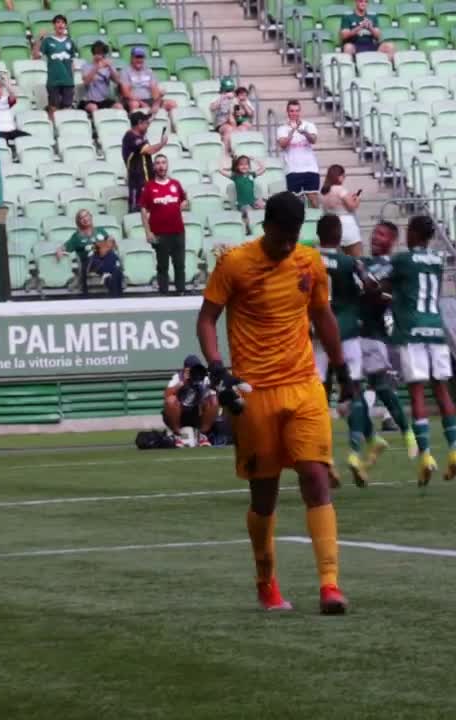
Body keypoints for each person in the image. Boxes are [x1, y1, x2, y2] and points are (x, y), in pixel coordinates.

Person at [196, 191, 355, 614]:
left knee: (316, 478)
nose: (287, 245)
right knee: (264, 496)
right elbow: (207, 319)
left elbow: (322, 315)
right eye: (281, 236)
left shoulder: (309, 262)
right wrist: (217, 368)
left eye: (293, 237)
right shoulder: (234, 263)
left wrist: (341, 368)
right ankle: (266, 583)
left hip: (304, 385)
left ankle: (329, 585)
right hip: (255, 393)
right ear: (265, 226)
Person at [375, 215, 456, 486]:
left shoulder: (402, 259)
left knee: (417, 393)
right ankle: (455, 450)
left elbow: (380, 282)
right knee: (442, 391)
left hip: (412, 330)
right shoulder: (437, 260)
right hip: (435, 329)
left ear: (414, 233)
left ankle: (426, 455)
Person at [315, 214, 379, 487]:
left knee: (318, 394)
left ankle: (324, 458)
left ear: (318, 235)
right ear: (340, 236)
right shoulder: (350, 262)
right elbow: (370, 285)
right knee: (352, 389)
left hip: (317, 332)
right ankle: (354, 452)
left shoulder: (307, 259)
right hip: (347, 332)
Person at [360, 221, 417, 459]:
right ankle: (377, 438)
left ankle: (405, 433)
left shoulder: (394, 267)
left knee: (381, 386)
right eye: (374, 233)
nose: (375, 238)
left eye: (381, 235)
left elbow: (387, 295)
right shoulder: (362, 263)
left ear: (392, 241)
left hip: (376, 334)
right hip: (355, 333)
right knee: (356, 393)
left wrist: (376, 291)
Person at [140, 154, 191, 295]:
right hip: (159, 232)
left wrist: (184, 203)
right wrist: (148, 232)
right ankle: (164, 293)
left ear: (167, 165)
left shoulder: (175, 184)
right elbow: (143, 210)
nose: (161, 165)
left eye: (163, 162)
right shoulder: (149, 187)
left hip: (178, 231)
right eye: (158, 163)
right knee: (162, 266)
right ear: (154, 167)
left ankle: (181, 291)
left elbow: (185, 200)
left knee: (180, 264)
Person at [56, 209, 122, 296]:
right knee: (113, 269)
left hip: (106, 258)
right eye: (81, 218)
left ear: (90, 217)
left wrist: (112, 240)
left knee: (114, 266)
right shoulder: (77, 236)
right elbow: (65, 246)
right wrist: (59, 250)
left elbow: (113, 246)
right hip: (90, 261)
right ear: (78, 222)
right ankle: (110, 280)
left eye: (86, 216)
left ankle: (114, 293)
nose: (85, 219)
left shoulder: (100, 231)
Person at [163, 355, 220, 447]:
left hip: (196, 413)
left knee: (213, 400)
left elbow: (215, 394)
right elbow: (166, 395)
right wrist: (183, 383)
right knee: (171, 400)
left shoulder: (204, 377)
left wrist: (210, 384)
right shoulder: (178, 377)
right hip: (179, 414)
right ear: (186, 369)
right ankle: (177, 435)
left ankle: (202, 435)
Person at [122, 111, 170, 213]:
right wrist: (162, 143)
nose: (148, 125)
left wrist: (157, 101)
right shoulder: (131, 137)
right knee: (137, 213)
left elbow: (150, 117)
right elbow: (149, 150)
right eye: (146, 123)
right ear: (139, 123)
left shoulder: (139, 134)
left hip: (146, 180)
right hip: (137, 182)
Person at [33, 15, 77, 121]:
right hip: (53, 80)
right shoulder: (48, 41)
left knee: (67, 109)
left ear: (65, 25)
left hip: (68, 81)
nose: (60, 24)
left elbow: (72, 62)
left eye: (62, 22)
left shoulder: (70, 42)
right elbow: (35, 56)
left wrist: (72, 80)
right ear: (54, 25)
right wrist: (39, 39)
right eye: (58, 22)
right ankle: (53, 131)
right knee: (53, 108)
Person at [276, 100, 320, 199]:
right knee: (294, 200)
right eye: (292, 111)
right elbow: (283, 144)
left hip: (310, 168)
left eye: (297, 111)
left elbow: (313, 140)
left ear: (300, 112)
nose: (294, 113)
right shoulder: (282, 129)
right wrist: (292, 130)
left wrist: (305, 132)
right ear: (287, 112)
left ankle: (316, 215)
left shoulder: (309, 125)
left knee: (313, 199)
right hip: (292, 170)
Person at [119, 47, 177, 114]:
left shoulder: (148, 71)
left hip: (149, 100)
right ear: (131, 58)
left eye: (141, 57)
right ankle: (136, 123)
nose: (139, 60)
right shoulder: (125, 72)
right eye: (137, 57)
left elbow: (154, 89)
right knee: (134, 104)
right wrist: (142, 103)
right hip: (133, 100)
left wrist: (157, 101)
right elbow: (126, 93)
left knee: (172, 104)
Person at [219, 155, 266, 234]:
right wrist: (224, 165)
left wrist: (254, 159)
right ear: (237, 167)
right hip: (242, 203)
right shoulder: (235, 176)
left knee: (264, 206)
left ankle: (263, 228)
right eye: (241, 165)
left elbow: (263, 169)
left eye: (246, 164)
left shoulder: (251, 175)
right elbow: (221, 171)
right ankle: (249, 229)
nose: (244, 166)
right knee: (249, 211)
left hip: (253, 201)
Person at [320, 164, 362, 248]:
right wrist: (357, 199)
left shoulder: (324, 192)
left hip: (331, 227)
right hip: (346, 225)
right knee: (356, 257)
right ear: (339, 176)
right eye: (343, 176)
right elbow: (352, 206)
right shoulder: (340, 190)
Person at [0, 78, 30, 158]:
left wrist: (6, 84)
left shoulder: (5, 100)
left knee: (28, 137)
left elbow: (13, 95)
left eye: (0, 88)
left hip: (11, 130)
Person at [79, 41, 119, 114]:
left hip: (105, 100)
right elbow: (86, 82)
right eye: (98, 52)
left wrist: (110, 66)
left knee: (118, 106)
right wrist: (97, 67)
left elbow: (117, 81)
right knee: (94, 108)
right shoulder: (86, 66)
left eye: (102, 52)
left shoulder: (107, 67)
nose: (100, 54)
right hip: (90, 100)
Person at [210, 77, 242, 152]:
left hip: (233, 123)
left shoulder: (234, 99)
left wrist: (238, 110)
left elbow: (238, 114)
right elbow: (212, 107)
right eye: (227, 90)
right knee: (229, 129)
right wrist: (224, 97)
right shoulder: (217, 98)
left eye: (231, 90)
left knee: (241, 130)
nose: (229, 92)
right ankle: (225, 152)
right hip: (220, 124)